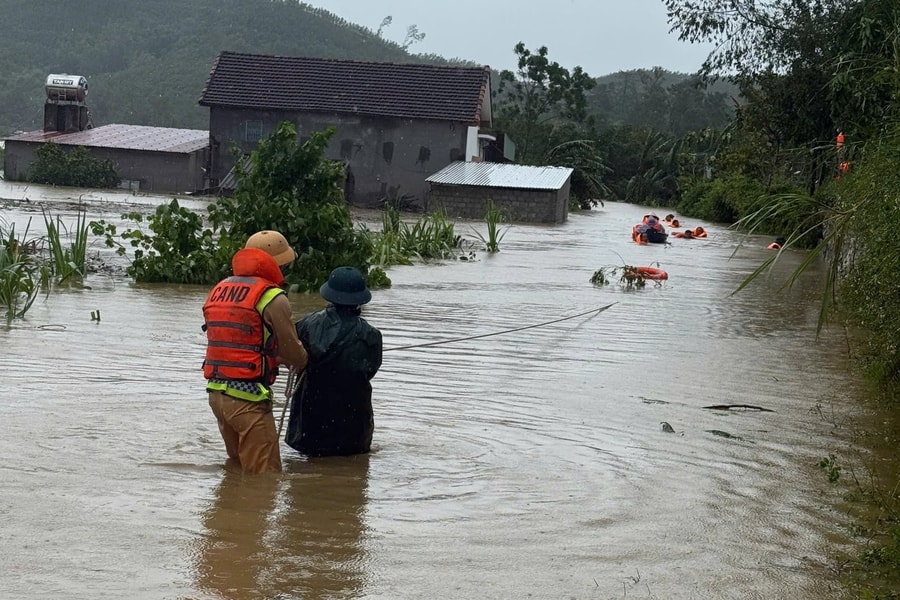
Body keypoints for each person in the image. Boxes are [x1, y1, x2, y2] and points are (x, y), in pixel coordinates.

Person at [202, 230, 308, 474]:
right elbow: (294, 354)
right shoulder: (272, 297)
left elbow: (239, 339)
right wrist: (303, 358)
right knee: (264, 478)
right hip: (247, 400)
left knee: (237, 467)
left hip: (217, 394)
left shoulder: (220, 288)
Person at [286, 266, 383, 457]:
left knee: (307, 471)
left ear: (329, 295)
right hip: (354, 425)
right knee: (353, 474)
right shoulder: (372, 335)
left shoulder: (306, 324)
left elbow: (292, 354)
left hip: (311, 420)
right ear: (359, 300)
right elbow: (370, 370)